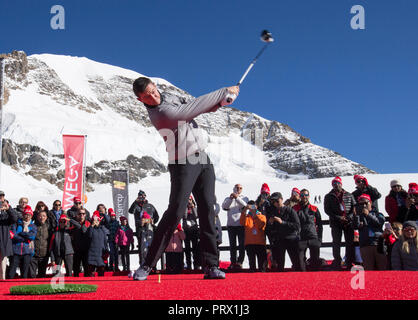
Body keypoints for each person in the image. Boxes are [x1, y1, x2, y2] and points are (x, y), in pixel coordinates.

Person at [131, 77, 239, 281]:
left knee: (208, 209)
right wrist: (224, 91)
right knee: (176, 211)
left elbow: (198, 107)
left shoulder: (169, 97)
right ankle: (147, 265)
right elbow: (192, 109)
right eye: (147, 96)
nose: (153, 97)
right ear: (140, 100)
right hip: (182, 163)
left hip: (203, 159)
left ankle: (211, 266)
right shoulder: (160, 114)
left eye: (154, 91)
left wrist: (220, 103)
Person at [324, 176, 356, 270]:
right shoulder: (328, 196)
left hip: (348, 222)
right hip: (335, 223)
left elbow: (354, 207)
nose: (336, 185)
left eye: (338, 183)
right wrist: (338, 218)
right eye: (334, 184)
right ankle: (337, 261)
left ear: (341, 184)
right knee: (336, 243)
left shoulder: (349, 195)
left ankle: (349, 262)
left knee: (349, 243)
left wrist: (348, 217)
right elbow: (327, 210)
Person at [265, 192, 301, 272]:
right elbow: (269, 229)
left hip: (291, 239)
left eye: (277, 201)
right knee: (279, 265)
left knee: (296, 263)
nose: (276, 203)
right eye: (273, 202)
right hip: (279, 240)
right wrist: (270, 223)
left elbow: (297, 226)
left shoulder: (290, 211)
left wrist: (282, 222)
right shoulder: (273, 212)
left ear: (282, 199)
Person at [352, 194, 386, 270]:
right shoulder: (359, 216)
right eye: (361, 204)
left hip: (378, 244)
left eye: (365, 203)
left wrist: (368, 214)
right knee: (369, 269)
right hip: (365, 244)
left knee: (382, 267)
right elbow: (355, 226)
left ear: (370, 203)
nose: (363, 205)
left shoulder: (378, 214)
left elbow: (379, 223)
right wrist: (356, 216)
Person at [293, 189, 323, 271]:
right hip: (301, 238)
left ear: (309, 196)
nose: (304, 197)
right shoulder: (295, 209)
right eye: (302, 195)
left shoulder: (314, 209)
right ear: (300, 196)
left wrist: (319, 239)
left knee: (315, 262)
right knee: (300, 263)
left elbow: (320, 225)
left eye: (306, 195)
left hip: (313, 237)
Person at [128, 190, 159, 267]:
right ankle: (142, 264)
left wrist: (152, 221)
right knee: (142, 248)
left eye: (143, 196)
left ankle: (152, 265)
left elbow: (156, 216)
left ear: (145, 196)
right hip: (140, 229)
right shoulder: (135, 206)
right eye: (140, 196)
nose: (142, 198)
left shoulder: (150, 206)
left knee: (151, 246)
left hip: (150, 228)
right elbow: (130, 211)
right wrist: (135, 201)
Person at [222, 184, 248, 270]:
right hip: (231, 225)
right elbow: (224, 207)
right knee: (232, 246)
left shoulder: (245, 198)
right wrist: (231, 198)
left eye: (240, 188)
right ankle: (233, 262)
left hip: (241, 225)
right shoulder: (228, 198)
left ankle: (240, 262)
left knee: (242, 245)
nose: (239, 189)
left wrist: (237, 198)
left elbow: (245, 205)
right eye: (237, 188)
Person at [9, 206, 37, 279]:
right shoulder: (17, 224)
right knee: (11, 273)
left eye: (29, 215)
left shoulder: (33, 226)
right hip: (16, 250)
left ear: (31, 216)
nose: (27, 216)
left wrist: (22, 233)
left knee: (24, 274)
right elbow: (14, 236)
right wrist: (25, 237)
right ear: (23, 215)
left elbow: (32, 237)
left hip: (27, 251)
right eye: (26, 214)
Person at [240, 201, 267, 272]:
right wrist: (245, 210)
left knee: (262, 267)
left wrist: (255, 215)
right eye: (250, 206)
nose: (252, 208)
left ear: (256, 207)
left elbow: (261, 225)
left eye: (253, 206)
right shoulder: (247, 217)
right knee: (252, 268)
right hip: (249, 243)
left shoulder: (262, 216)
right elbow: (242, 222)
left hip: (260, 244)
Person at [30, 210, 53, 278]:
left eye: (44, 216)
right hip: (33, 255)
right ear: (37, 217)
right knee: (32, 275)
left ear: (46, 217)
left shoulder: (49, 227)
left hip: (44, 255)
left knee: (42, 276)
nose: (42, 217)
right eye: (40, 216)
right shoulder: (32, 226)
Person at [0, 194, 18, 279]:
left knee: (2, 268)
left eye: (2, 196)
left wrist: (8, 209)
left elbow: (15, 218)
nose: (0, 198)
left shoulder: (7, 213)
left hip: (3, 242)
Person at [87, 212, 109, 276]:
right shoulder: (90, 228)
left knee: (101, 272)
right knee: (91, 273)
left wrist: (106, 250)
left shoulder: (102, 229)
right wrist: (92, 226)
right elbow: (89, 235)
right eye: (94, 220)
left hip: (101, 254)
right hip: (92, 254)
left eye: (97, 220)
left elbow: (105, 241)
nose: (96, 222)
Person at [72, 208, 91, 277]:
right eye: (80, 214)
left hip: (86, 250)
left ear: (85, 215)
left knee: (87, 269)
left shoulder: (88, 223)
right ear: (77, 215)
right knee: (76, 269)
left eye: (83, 214)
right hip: (76, 250)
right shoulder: (72, 224)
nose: (81, 215)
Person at [182, 195, 200, 270]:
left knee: (195, 248)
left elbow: (196, 216)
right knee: (187, 248)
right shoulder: (183, 208)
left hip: (194, 229)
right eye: (187, 200)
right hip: (186, 230)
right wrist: (186, 207)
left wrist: (193, 208)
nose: (188, 201)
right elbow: (184, 216)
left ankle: (196, 264)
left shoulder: (195, 208)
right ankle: (189, 264)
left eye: (190, 199)